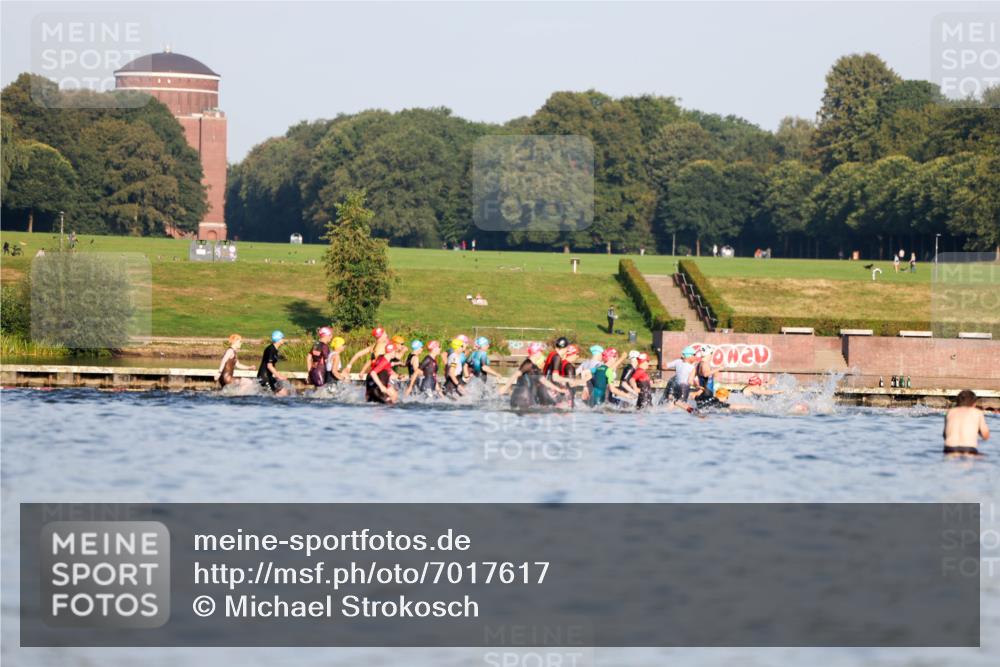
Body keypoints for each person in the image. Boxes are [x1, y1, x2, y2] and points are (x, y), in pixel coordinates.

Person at [943, 390, 990, 455]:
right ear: (974, 404)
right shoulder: (977, 412)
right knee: (984, 457)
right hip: (969, 449)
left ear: (957, 402)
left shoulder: (950, 412)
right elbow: (986, 436)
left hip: (949, 449)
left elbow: (945, 436)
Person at [257, 330, 290, 396]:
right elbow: (269, 366)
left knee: (284, 392)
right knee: (272, 395)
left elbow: (272, 365)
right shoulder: (270, 349)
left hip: (269, 376)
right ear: (278, 339)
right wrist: (279, 376)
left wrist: (278, 375)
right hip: (264, 377)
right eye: (282, 338)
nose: (283, 339)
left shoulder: (275, 349)